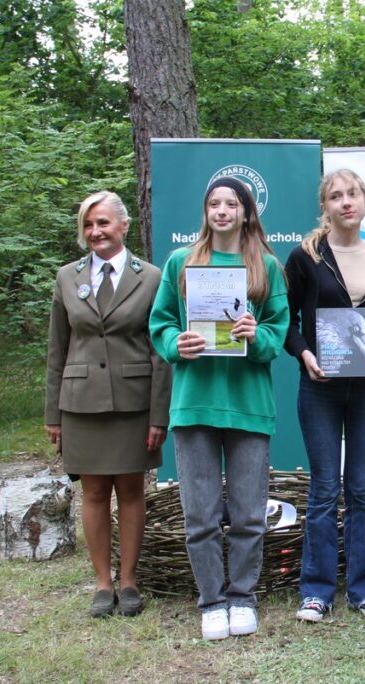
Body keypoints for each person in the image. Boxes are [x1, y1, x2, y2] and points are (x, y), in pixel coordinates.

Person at [149, 177, 288, 640]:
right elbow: (161, 323)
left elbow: (279, 334)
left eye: (232, 203)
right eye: (214, 203)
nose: (223, 210)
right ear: (206, 210)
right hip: (194, 404)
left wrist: (255, 336)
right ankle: (211, 600)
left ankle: (242, 596)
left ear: (247, 212)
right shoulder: (180, 262)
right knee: (201, 514)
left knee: (249, 513)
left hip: (248, 405)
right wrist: (176, 343)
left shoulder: (265, 266)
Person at [44, 191, 171, 618]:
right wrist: (52, 415)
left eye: (103, 223)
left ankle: (129, 581)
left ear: (123, 226)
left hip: (134, 404)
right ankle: (103, 583)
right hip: (79, 405)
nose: (95, 231)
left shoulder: (151, 277)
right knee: (94, 492)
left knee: (131, 491)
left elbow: (160, 353)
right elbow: (57, 350)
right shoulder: (67, 277)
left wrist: (159, 414)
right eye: (88, 225)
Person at [284, 170, 365, 622]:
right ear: (325, 206)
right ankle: (316, 590)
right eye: (336, 196)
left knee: (362, 491)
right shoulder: (305, 257)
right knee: (326, 490)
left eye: (352, 195)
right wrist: (305, 354)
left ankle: (364, 589)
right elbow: (286, 321)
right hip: (321, 389)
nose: (345, 202)